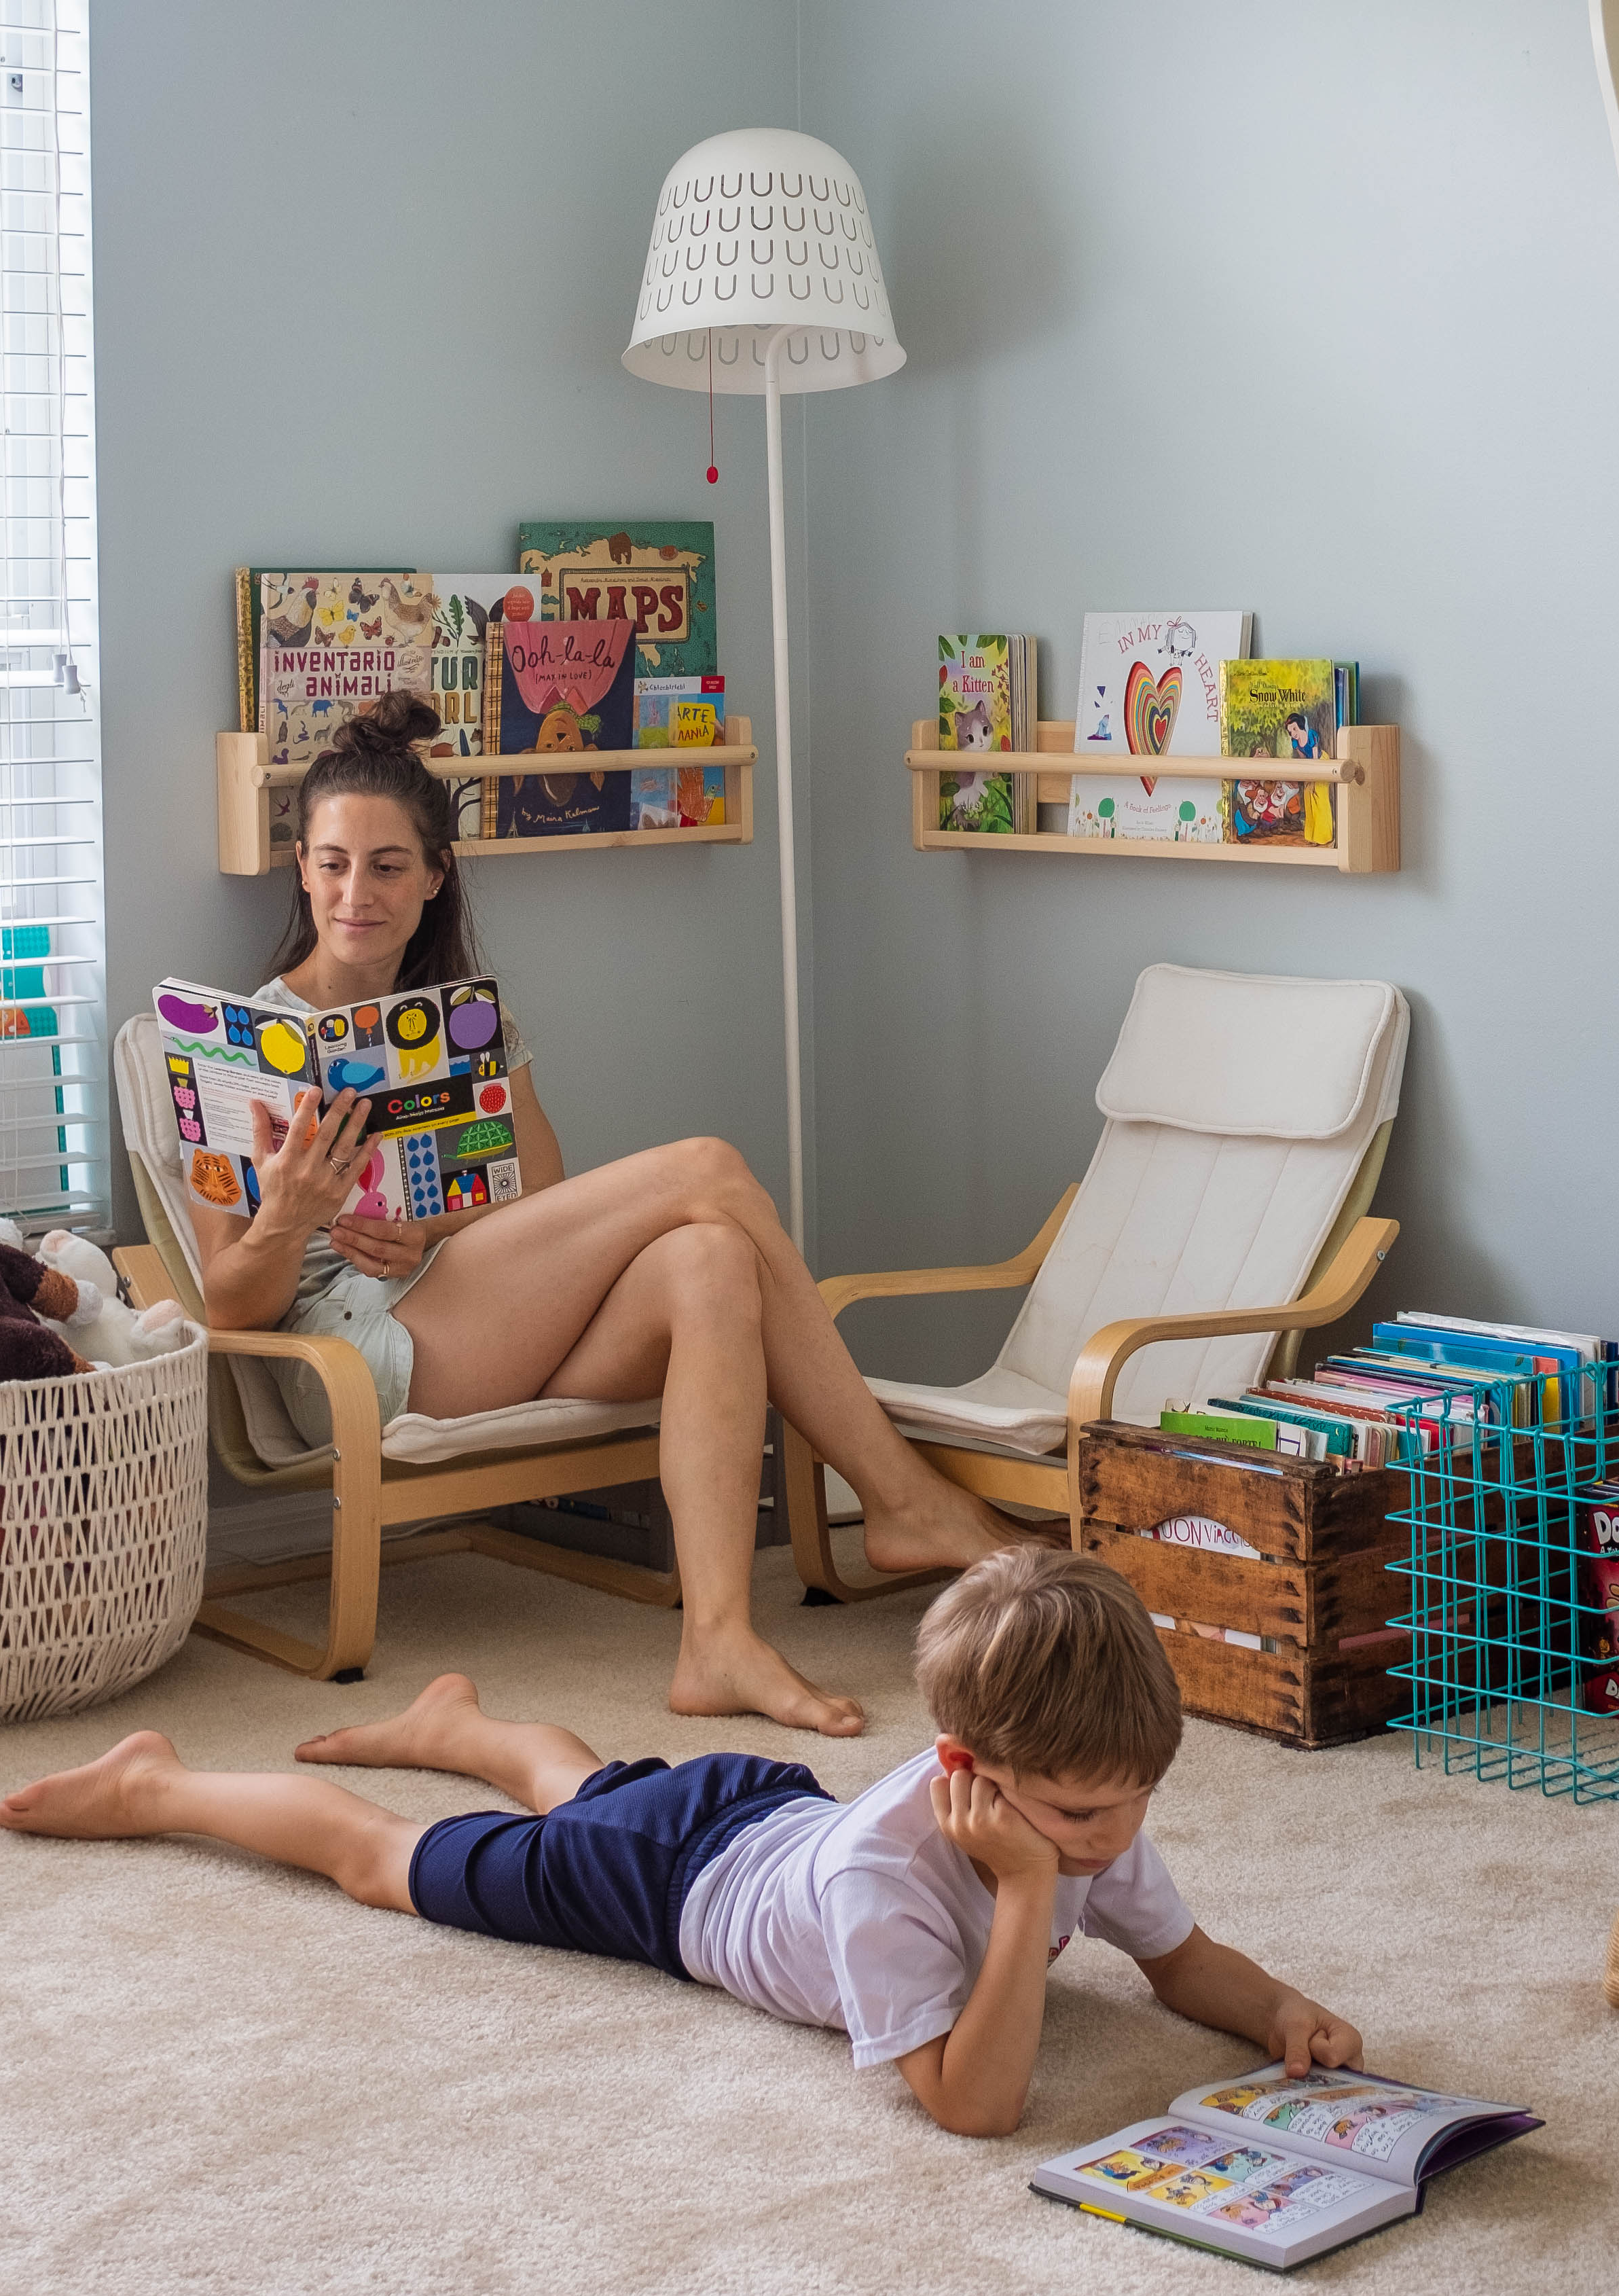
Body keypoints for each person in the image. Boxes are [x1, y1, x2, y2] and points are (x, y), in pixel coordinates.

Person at [194, 692, 1022, 1739]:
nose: (357, 892)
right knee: (709, 1168)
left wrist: (433, 1232)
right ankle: (899, 1491)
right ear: (302, 868)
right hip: (359, 1355)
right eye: (332, 862)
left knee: (711, 1258)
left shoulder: (466, 1026)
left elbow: (543, 1199)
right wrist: (285, 1218)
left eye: (388, 864)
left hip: (471, 1311)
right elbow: (227, 1300)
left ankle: (716, 1642)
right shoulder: (242, 1049)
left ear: (434, 875)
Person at [0, 1547, 1362, 2136]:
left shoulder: (1076, 1809)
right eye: (1075, 1815)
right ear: (967, 1770)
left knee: (589, 1785)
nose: (1108, 1837)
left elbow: (1181, 1964)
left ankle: (469, 1726)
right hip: (661, 1881)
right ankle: (156, 1785)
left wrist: (1281, 2008)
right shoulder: (889, 1874)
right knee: (382, 1861)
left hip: (748, 1800)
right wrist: (1016, 1898)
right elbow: (971, 2101)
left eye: (1130, 1803)